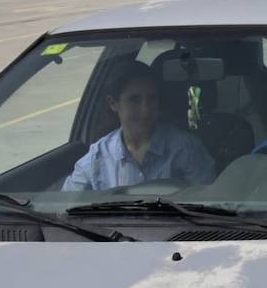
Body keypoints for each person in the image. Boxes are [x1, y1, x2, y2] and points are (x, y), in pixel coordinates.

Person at [64, 60, 215, 191]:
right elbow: (64, 205)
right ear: (113, 103)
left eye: (152, 99)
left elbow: (210, 205)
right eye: (134, 100)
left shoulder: (186, 150)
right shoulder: (95, 159)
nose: (145, 110)